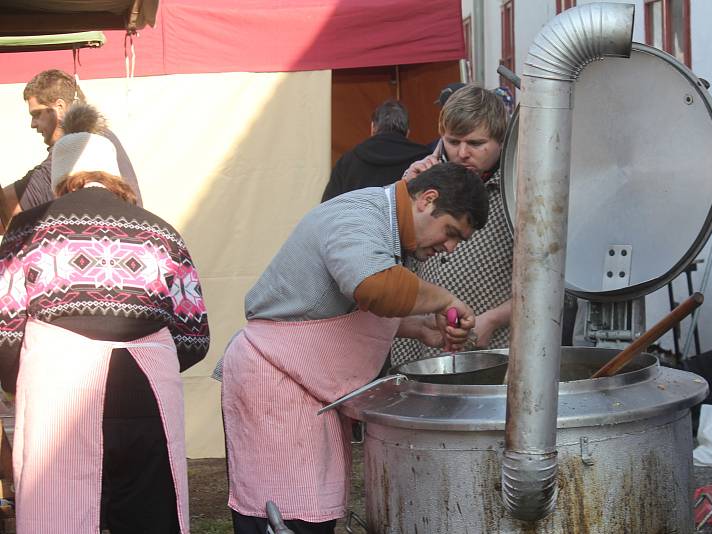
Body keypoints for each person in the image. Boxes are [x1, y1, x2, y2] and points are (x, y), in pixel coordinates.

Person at [220, 163, 489, 533]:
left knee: (314, 516)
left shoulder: (387, 229)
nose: (450, 248)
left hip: (304, 386)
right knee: (283, 518)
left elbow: (340, 309)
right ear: (428, 200)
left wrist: (424, 329)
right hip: (275, 380)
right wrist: (443, 299)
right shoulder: (358, 216)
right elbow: (373, 288)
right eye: (451, 233)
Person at [0, 103, 209, 533]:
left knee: (60, 512)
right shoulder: (162, 233)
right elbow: (194, 336)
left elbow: (4, 330)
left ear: (59, 177)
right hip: (145, 395)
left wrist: (16, 380)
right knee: (150, 514)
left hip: (58, 395)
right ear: (116, 175)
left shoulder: (26, 231)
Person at [391, 84, 512, 365]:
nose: (462, 153)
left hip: (493, 346)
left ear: (501, 141)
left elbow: (544, 283)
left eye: (476, 143)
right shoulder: (424, 180)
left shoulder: (517, 190)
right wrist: (406, 194)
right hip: (422, 345)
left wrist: (493, 319)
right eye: (453, 142)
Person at [2, 69, 142, 223]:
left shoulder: (78, 149)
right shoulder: (103, 139)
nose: (33, 124)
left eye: (37, 114)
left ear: (59, 108)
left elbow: (5, 216)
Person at [320, 100, 430, 201]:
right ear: (407, 132)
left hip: (357, 222)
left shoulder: (348, 161)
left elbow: (327, 208)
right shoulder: (425, 160)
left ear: (373, 128)